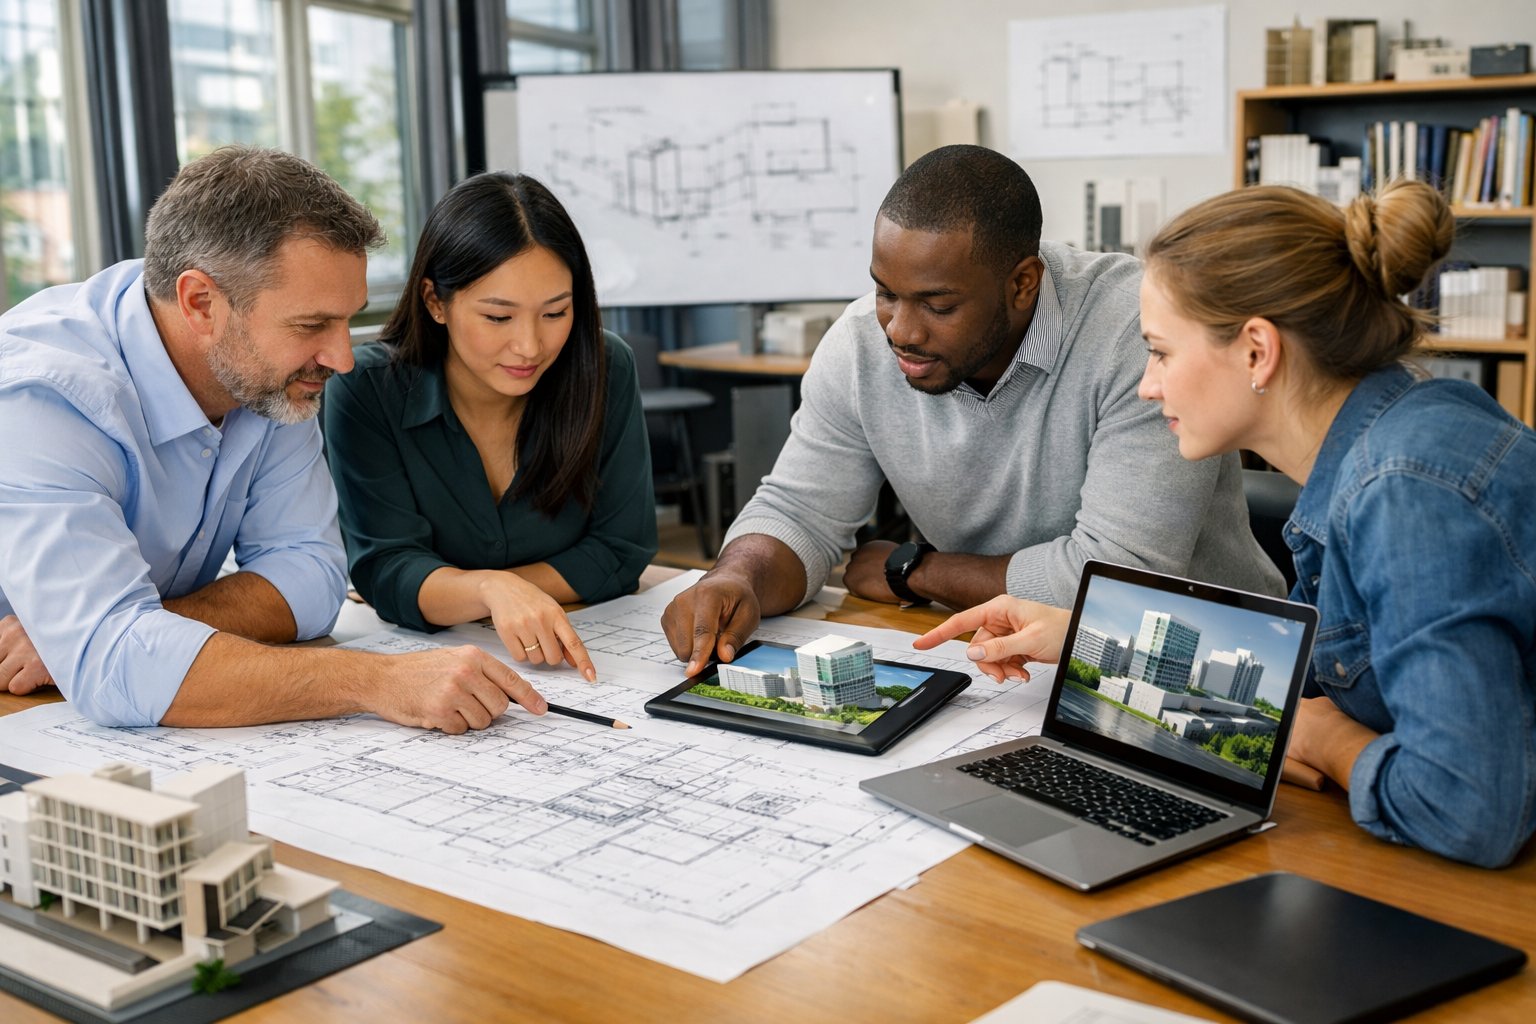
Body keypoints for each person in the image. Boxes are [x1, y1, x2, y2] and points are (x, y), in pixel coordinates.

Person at [920, 180, 1536, 868]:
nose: (1149, 385)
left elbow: (1467, 807)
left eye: (1161, 352)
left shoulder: (1405, 493)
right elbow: (1300, 686)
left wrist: (1323, 739)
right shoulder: (1389, 436)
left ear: (1256, 352)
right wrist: (1085, 642)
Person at [662, 144, 1282, 674]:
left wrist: (917, 571)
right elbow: (799, 511)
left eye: (937, 304)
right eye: (885, 292)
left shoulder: (1139, 335)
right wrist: (736, 576)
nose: (900, 330)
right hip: (1000, 659)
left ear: (1022, 283)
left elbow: (1116, 579)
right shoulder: (860, 344)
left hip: (1204, 662)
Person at [0, 146, 547, 733]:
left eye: (347, 319)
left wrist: (137, 628)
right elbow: (116, 666)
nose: (340, 358)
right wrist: (375, 680)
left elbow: (312, 578)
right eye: (312, 325)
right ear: (200, 303)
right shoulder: (42, 399)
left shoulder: (264, 375)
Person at [323, 172, 656, 675]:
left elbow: (622, 548)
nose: (530, 346)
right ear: (436, 302)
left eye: (555, 313)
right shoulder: (366, 388)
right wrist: (492, 589)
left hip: (587, 648)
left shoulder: (606, 369)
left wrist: (497, 593)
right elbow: (386, 570)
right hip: (436, 668)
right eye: (498, 318)